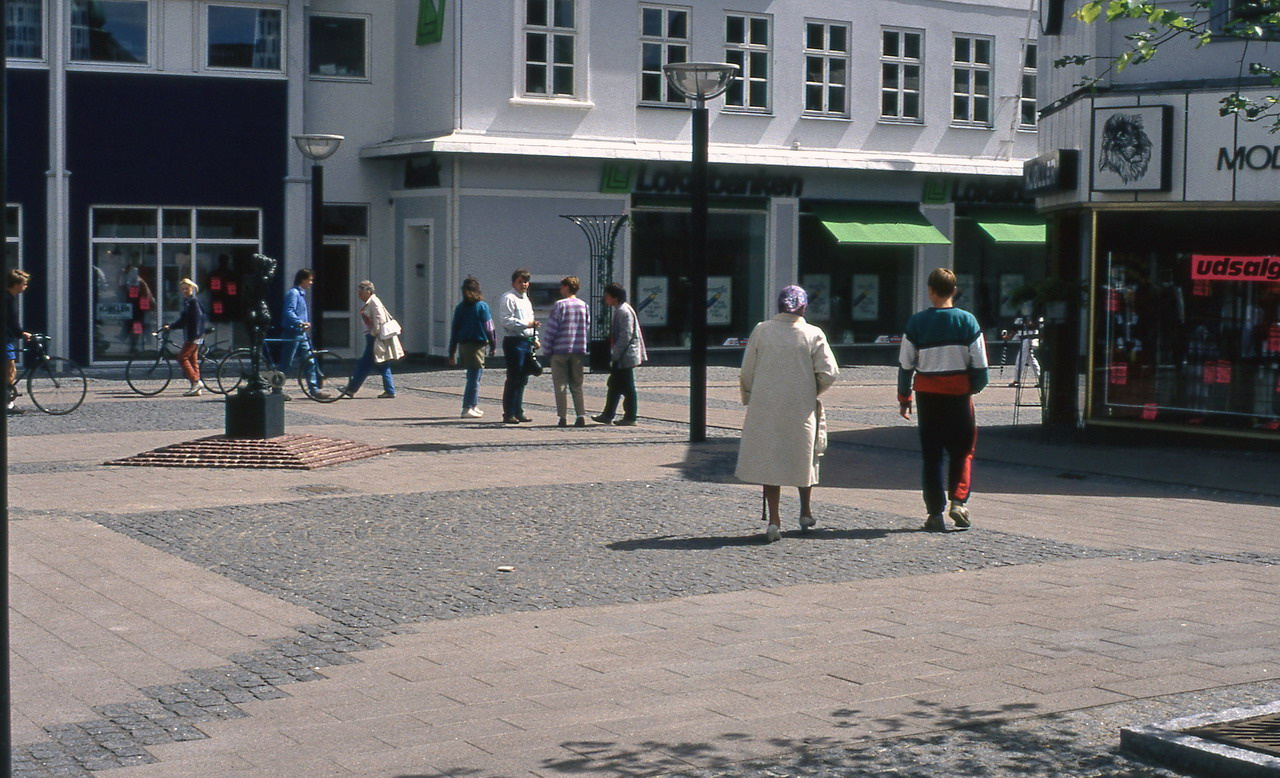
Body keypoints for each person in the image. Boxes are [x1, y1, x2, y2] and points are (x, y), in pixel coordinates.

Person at [735, 285, 839, 543]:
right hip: (800, 407)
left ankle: (774, 520)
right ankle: (805, 512)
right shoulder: (813, 334)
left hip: (766, 407)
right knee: (803, 457)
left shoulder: (761, 330)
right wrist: (812, 389)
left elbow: (747, 371)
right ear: (803, 307)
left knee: (772, 461)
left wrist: (750, 396)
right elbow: (829, 372)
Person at [897, 268, 989, 532]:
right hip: (959, 396)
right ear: (954, 291)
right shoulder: (968, 321)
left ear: (931, 291)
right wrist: (973, 387)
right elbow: (981, 366)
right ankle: (958, 502)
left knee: (932, 455)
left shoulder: (916, 323)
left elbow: (905, 365)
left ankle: (934, 513)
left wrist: (904, 398)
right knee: (962, 450)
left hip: (927, 397)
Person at [592, 282, 647, 426]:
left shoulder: (624, 311)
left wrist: (615, 354)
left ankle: (630, 416)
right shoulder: (620, 309)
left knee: (627, 387)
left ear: (614, 297)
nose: (605, 298)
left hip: (625, 356)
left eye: (607, 295)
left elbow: (626, 335)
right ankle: (608, 414)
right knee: (614, 385)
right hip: (623, 355)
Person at [540, 275, 591, 427]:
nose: (560, 290)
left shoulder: (560, 305)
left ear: (567, 287)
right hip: (578, 350)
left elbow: (552, 329)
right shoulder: (584, 305)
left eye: (562, 287)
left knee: (560, 384)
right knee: (577, 384)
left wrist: (547, 349)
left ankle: (562, 417)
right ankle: (580, 415)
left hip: (560, 350)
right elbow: (586, 327)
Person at [342, 280, 403, 399]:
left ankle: (351, 390)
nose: (359, 295)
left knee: (364, 365)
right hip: (373, 337)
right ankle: (389, 390)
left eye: (361, 293)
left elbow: (379, 319)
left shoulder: (374, 302)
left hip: (374, 338)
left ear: (369, 292)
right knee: (382, 364)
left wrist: (373, 333)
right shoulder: (371, 302)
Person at [448, 277, 497, 418]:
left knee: (473, 376)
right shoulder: (482, 306)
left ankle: (473, 405)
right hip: (477, 345)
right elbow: (489, 328)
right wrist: (494, 345)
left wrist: (451, 353)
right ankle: (467, 407)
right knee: (474, 377)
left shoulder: (460, 308)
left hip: (464, 344)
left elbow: (454, 331)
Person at [279, 268, 330, 400]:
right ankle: (276, 388)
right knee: (286, 362)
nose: (311, 283)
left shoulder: (300, 294)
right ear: (303, 279)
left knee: (310, 360)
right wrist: (300, 322)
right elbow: (289, 311)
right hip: (293, 333)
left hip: (301, 334)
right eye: (310, 280)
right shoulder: (294, 293)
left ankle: (314, 390)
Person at [498, 269, 540, 424]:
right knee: (514, 378)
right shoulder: (508, 298)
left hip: (526, 341)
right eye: (521, 281)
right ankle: (508, 413)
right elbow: (506, 321)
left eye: (526, 281)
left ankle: (518, 410)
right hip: (514, 341)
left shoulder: (526, 299)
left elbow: (532, 320)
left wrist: (535, 338)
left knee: (523, 378)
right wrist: (526, 324)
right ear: (514, 282)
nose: (524, 284)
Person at [162, 277, 207, 396]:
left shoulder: (193, 302)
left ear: (192, 288)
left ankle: (196, 382)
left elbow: (197, 319)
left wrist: (195, 335)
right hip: (193, 334)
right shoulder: (187, 302)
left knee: (182, 358)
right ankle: (195, 387)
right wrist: (171, 326)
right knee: (193, 360)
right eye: (182, 289)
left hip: (193, 335)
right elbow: (183, 320)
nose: (184, 291)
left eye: (186, 288)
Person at [6, 269, 32, 415]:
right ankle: (8, 404)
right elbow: (12, 322)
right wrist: (22, 334)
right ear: (16, 284)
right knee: (9, 370)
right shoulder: (8, 299)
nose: (25, 286)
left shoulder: (9, 297)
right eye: (24, 283)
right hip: (5, 340)